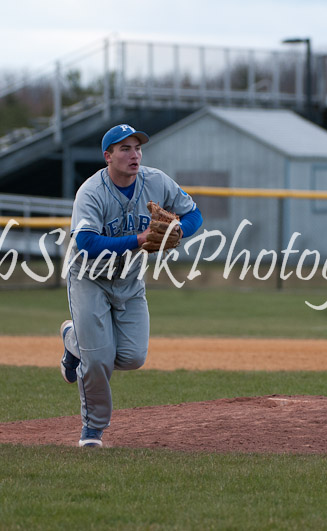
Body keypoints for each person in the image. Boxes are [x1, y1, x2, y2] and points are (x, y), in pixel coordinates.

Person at [60, 124, 202, 447]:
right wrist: (139, 239)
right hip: (90, 279)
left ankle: (73, 342)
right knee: (97, 360)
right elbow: (86, 243)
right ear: (107, 157)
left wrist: (178, 228)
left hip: (130, 281)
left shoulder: (156, 182)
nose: (134, 155)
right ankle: (92, 429)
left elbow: (194, 214)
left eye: (137, 148)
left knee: (134, 356)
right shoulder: (91, 192)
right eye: (124, 149)